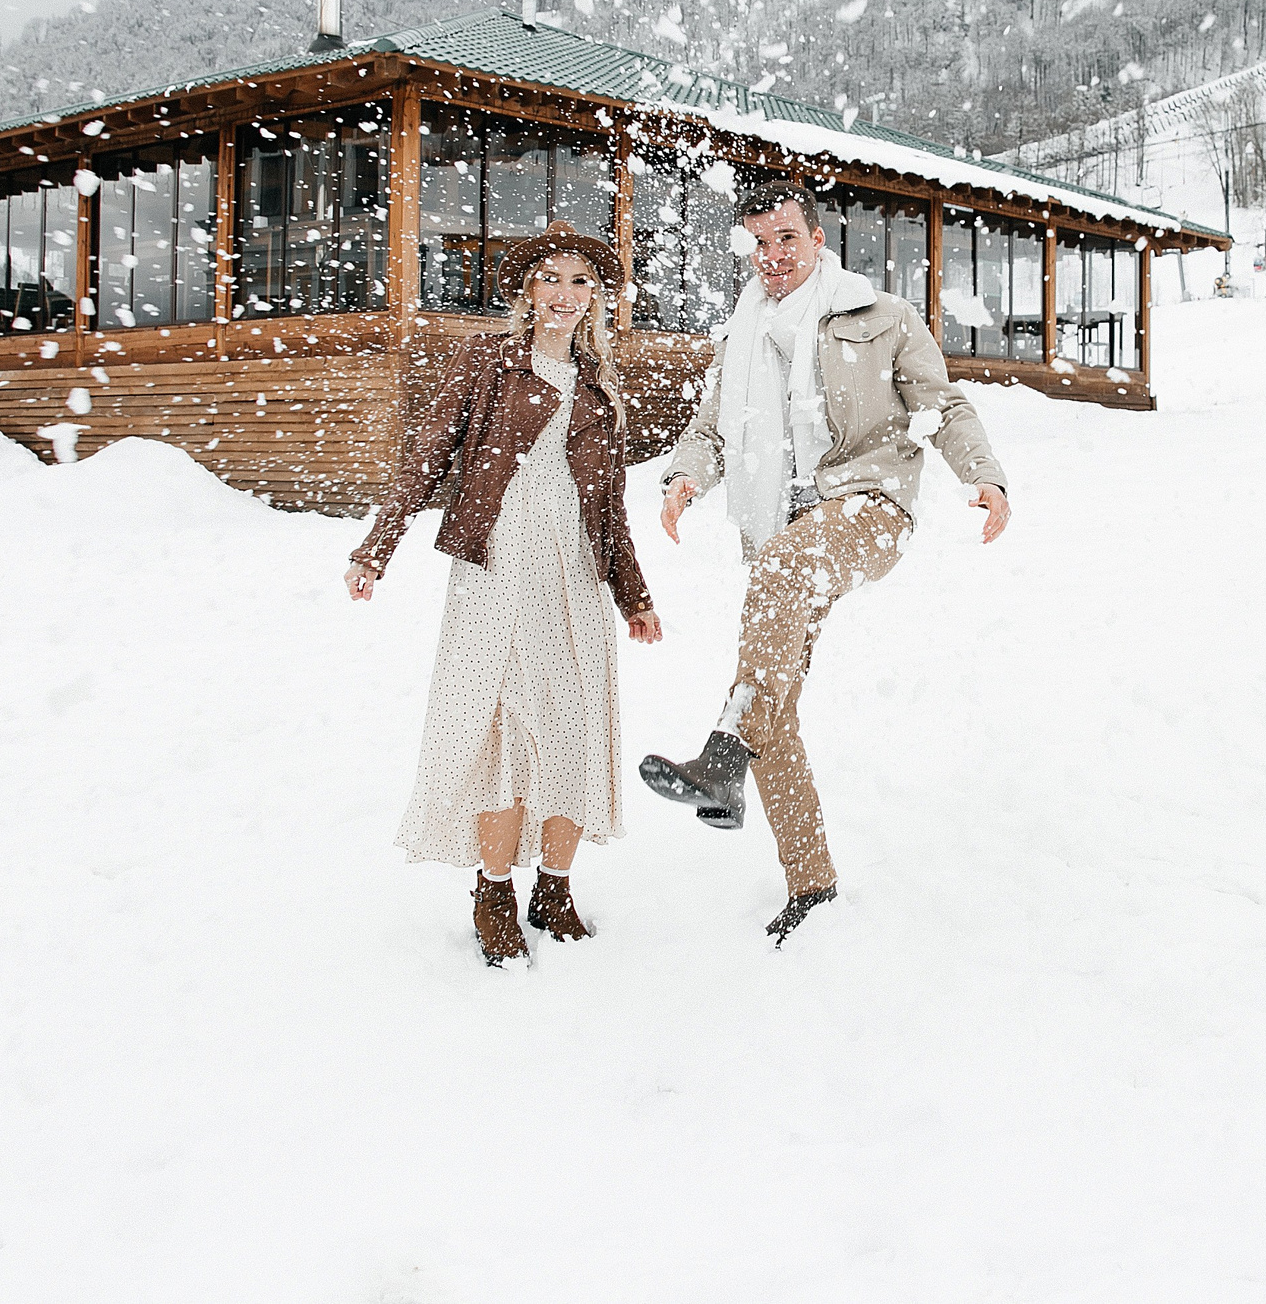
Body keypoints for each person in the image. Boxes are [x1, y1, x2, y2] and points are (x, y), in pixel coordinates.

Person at [640, 179, 1009, 945]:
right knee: (776, 698)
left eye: (787, 239)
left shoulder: (883, 317)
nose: (774, 257)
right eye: (760, 243)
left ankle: (721, 748)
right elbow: (711, 429)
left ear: (816, 239)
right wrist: (684, 477)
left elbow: (946, 407)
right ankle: (809, 879)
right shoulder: (740, 335)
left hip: (868, 506)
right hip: (782, 527)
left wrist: (984, 475)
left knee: (780, 573)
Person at [344, 221, 662, 967]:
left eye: (580, 281)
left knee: (574, 722)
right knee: (504, 722)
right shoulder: (488, 361)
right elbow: (429, 454)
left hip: (576, 567)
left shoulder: (597, 385)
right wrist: (377, 545)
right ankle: (493, 892)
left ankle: (554, 885)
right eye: (550, 278)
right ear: (527, 289)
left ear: (596, 298)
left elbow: (610, 505)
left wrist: (634, 594)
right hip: (498, 556)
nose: (564, 294)